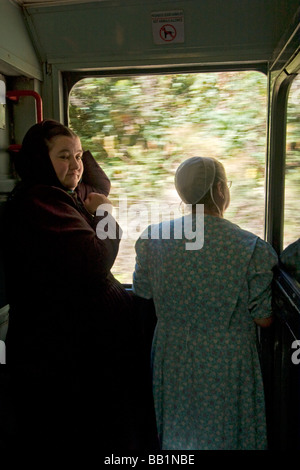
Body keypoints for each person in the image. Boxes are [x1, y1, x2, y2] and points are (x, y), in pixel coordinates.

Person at [3, 119, 156, 451]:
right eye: (62, 156)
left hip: (81, 345)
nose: (75, 166)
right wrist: (104, 215)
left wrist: (73, 149)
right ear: (39, 162)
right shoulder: (41, 204)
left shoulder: (63, 193)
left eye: (78, 156)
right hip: (60, 352)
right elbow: (96, 261)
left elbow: (98, 181)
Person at [132, 156, 278, 450]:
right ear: (222, 190)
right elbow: (263, 318)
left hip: (171, 356)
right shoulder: (251, 249)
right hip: (226, 360)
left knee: (178, 434)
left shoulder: (153, 238)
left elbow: (143, 291)